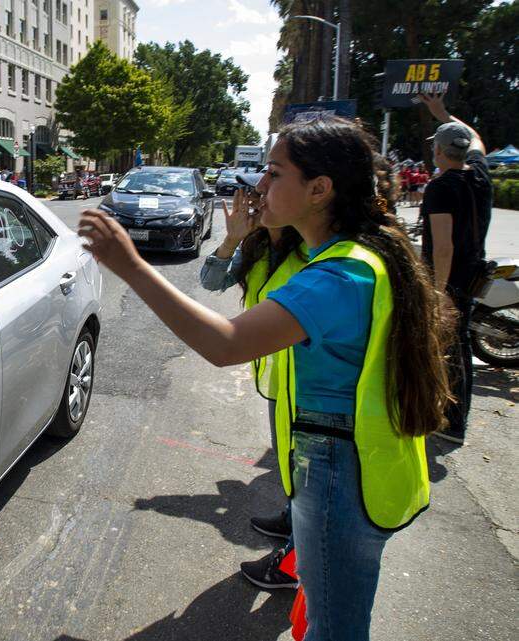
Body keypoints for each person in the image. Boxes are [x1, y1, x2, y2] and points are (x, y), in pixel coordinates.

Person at [80, 116, 453, 641]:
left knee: (334, 629)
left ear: (320, 189)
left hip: (338, 471)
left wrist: (132, 264)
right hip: (358, 463)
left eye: (274, 173)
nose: (259, 185)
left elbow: (225, 343)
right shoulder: (364, 255)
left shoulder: (339, 275)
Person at [199, 189, 307, 590]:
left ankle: (293, 564)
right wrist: (230, 240)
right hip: (279, 377)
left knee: (307, 470)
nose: (259, 201)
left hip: (312, 382)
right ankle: (293, 519)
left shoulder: (315, 251)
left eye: (271, 188)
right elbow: (210, 282)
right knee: (290, 462)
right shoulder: (258, 244)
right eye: (257, 194)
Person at [418, 92, 493, 445]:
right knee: (457, 345)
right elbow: (475, 138)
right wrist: (442, 112)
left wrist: (437, 293)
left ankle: (452, 423)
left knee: (453, 348)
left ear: (439, 152)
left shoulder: (440, 187)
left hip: (451, 282)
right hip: (474, 273)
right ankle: (448, 414)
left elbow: (443, 246)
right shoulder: (480, 175)